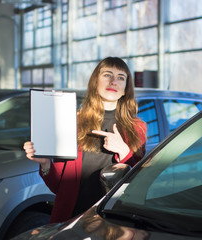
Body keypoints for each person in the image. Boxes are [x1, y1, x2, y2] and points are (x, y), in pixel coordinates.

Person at [23, 57, 147, 223]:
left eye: (121, 78)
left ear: (125, 89)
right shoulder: (72, 122)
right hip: (72, 219)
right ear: (95, 82)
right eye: (107, 75)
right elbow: (59, 188)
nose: (113, 81)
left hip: (113, 219)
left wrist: (124, 151)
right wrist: (45, 163)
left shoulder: (137, 128)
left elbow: (139, 184)